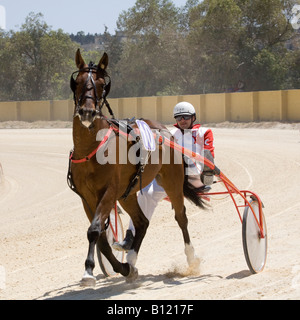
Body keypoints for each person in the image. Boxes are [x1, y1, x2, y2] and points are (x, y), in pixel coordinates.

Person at [113, 102, 215, 252]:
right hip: (167, 178)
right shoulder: (169, 134)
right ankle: (130, 237)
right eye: (178, 117)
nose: (182, 120)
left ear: (193, 117)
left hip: (193, 176)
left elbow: (208, 154)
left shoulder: (204, 132)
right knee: (144, 195)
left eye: (186, 117)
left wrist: (208, 174)